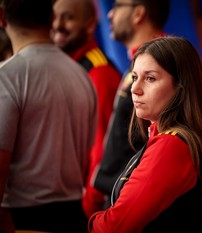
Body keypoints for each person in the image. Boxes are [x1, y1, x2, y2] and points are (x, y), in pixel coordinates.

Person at [88, 36, 202, 232]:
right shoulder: (166, 139)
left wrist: (86, 223)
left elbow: (114, 227)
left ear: (180, 87)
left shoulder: (172, 146)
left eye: (150, 78)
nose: (135, 89)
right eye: (134, 77)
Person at [0, 0, 97, 232]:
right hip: (74, 218)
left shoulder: (7, 76)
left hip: (19, 221)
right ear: (52, 17)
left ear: (2, 17)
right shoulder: (83, 77)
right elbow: (86, 159)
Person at [93, 0, 170, 208]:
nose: (109, 15)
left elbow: (161, 147)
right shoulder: (142, 64)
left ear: (138, 13)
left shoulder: (165, 66)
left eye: (118, 6)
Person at [51, 0, 122, 218]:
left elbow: (104, 153)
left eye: (68, 17)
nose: (57, 24)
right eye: (54, 17)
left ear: (90, 25)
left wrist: (88, 212)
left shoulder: (99, 74)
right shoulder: (66, 68)